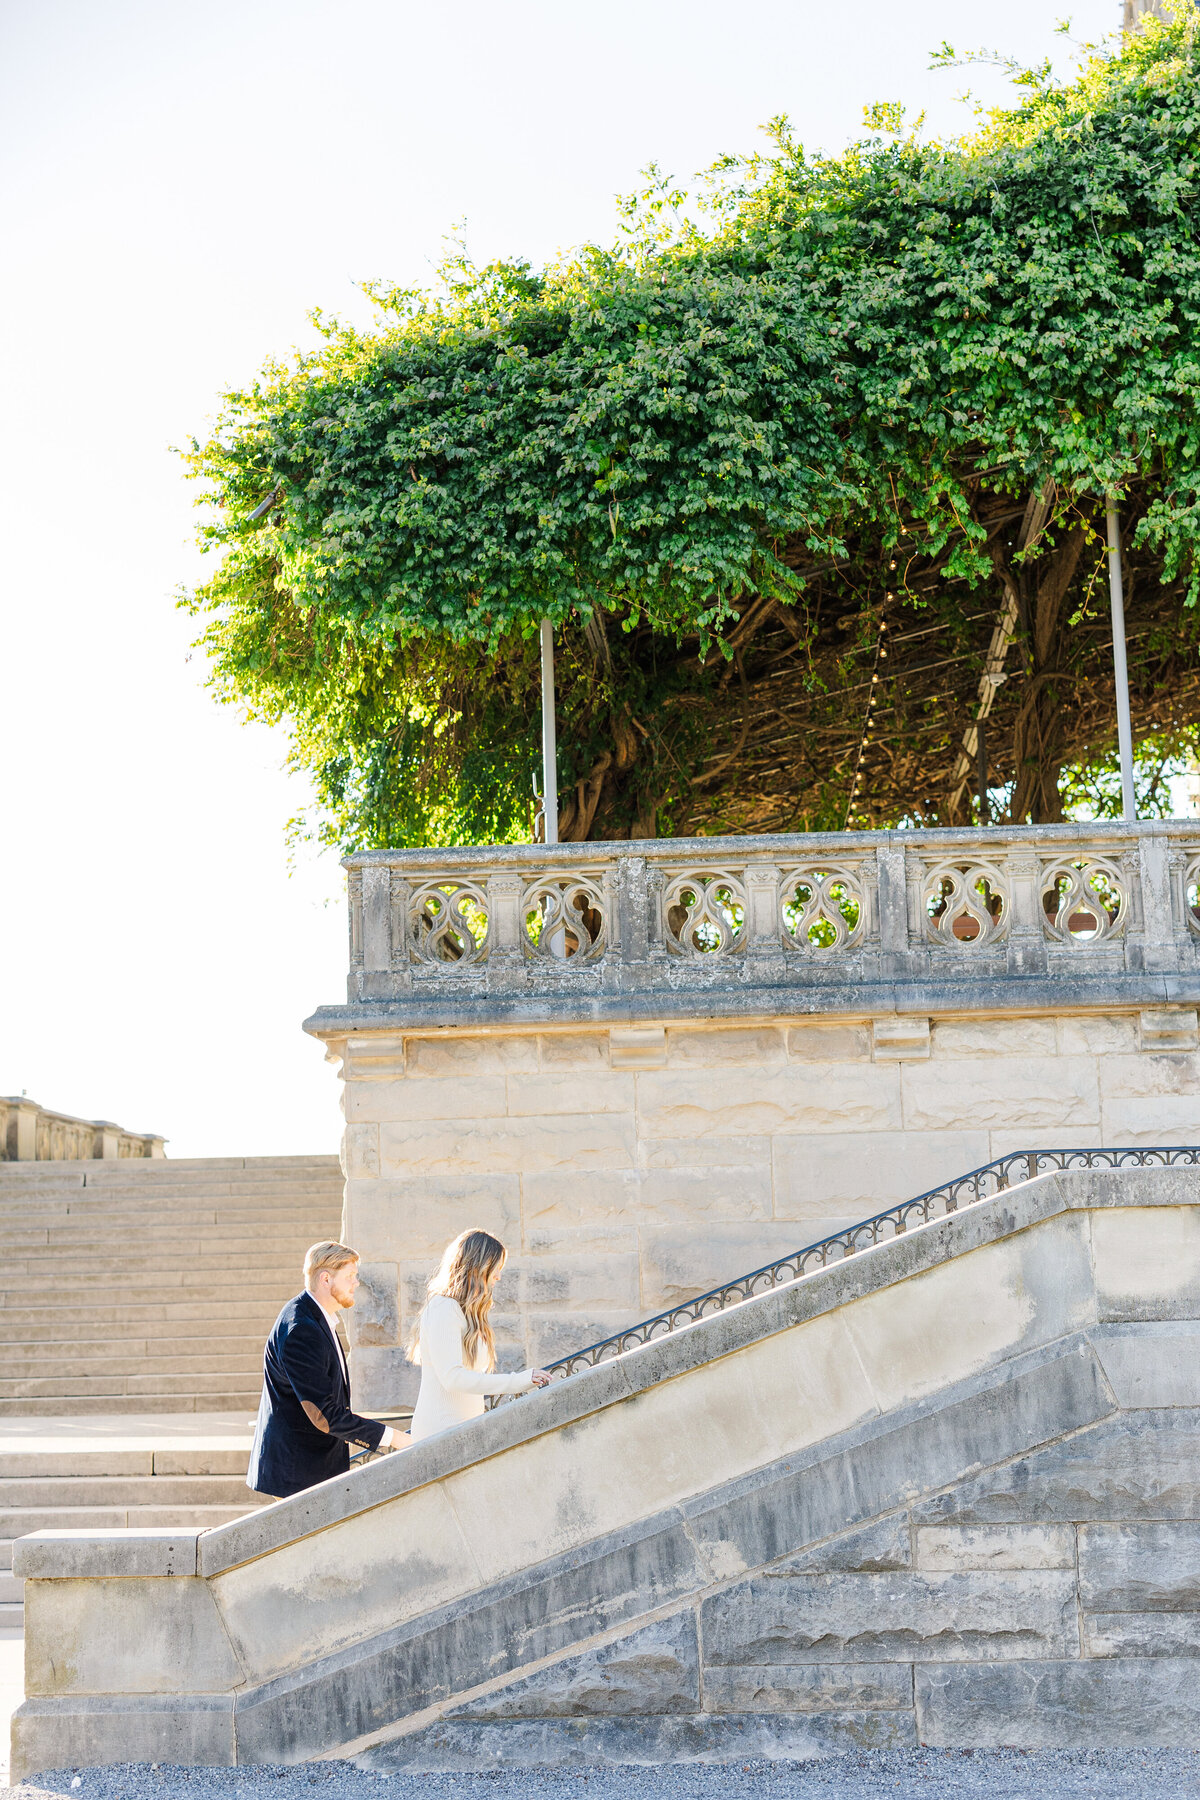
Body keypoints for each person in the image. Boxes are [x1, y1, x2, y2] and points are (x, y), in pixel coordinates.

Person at [247, 1240, 398, 1500]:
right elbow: (324, 1414)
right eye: (350, 1276)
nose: (356, 1283)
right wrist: (394, 1438)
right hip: (297, 1475)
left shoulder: (314, 1317)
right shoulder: (301, 1329)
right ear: (326, 1279)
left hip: (310, 1470)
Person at [408, 1229, 550, 1441]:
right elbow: (452, 1378)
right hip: (440, 1432)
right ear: (478, 1266)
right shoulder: (443, 1307)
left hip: (465, 1430)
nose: (499, 1277)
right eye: (496, 1268)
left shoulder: (468, 1313)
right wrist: (517, 1381)